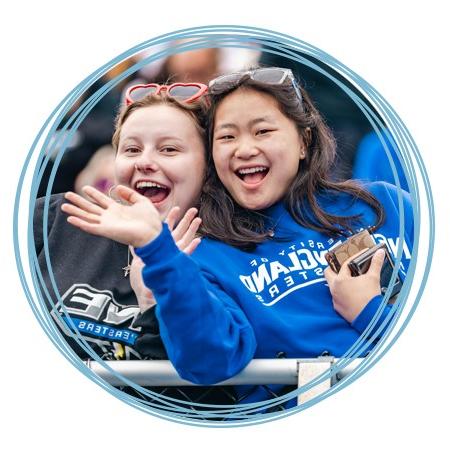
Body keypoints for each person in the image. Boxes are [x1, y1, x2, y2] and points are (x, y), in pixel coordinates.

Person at [63, 68, 413, 409]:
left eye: (262, 131)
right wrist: (160, 253)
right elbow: (208, 362)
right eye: (227, 137)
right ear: (213, 158)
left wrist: (372, 314)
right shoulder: (206, 254)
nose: (244, 149)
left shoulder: (388, 205)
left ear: (304, 141)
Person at [35, 82, 236, 407]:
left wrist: (153, 301)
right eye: (131, 149)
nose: (144, 161)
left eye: (169, 149)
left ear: (208, 166)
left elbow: (203, 395)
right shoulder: (57, 219)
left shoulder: (227, 257)